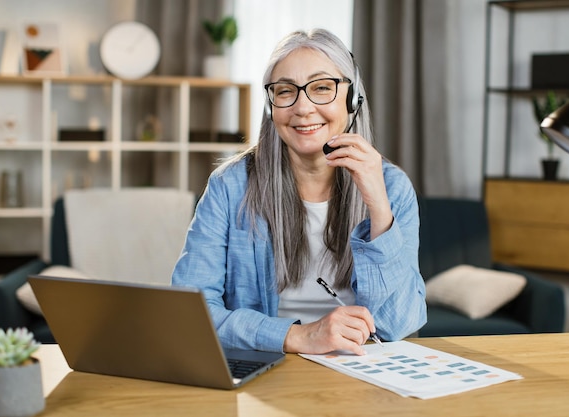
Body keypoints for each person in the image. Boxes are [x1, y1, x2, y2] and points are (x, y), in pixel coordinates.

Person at [172, 28, 426, 355]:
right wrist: (299, 336)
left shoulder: (393, 188)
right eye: (285, 91)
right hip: (267, 365)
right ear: (271, 105)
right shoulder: (229, 186)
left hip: (363, 368)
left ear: (352, 99)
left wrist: (378, 205)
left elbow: (400, 323)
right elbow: (190, 313)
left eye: (322, 88)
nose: (303, 107)